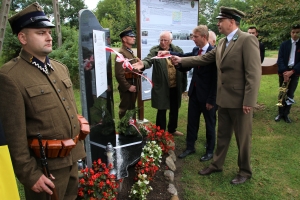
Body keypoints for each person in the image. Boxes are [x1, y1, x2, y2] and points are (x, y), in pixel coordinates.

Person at [0, 3, 86, 199]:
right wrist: (30, 175)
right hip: (47, 171)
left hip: (72, 159)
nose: (49, 37)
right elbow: (14, 135)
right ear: (22, 38)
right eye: (40, 33)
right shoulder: (10, 76)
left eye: (48, 31)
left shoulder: (60, 68)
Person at [168, 6, 261, 184]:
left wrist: (249, 100)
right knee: (223, 135)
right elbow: (204, 59)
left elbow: (253, 74)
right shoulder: (222, 42)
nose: (218, 24)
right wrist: (181, 60)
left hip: (241, 101)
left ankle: (244, 171)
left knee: (243, 139)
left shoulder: (247, 40)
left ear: (232, 22)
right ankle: (217, 164)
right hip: (224, 99)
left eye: (221, 20)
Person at [158, 25, 217, 161]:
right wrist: (170, 55)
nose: (193, 39)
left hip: (208, 96)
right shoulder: (196, 50)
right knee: (192, 122)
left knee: (210, 123)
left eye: (195, 37)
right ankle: (190, 147)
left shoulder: (213, 52)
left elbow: (216, 79)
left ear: (203, 37)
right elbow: (185, 59)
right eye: (192, 36)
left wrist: (211, 99)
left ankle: (209, 151)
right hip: (195, 93)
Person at [133, 31, 187, 136]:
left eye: (165, 40)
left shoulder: (177, 50)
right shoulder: (155, 51)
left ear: (170, 41)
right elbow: (148, 61)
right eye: (161, 40)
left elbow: (183, 63)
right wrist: (142, 64)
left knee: (174, 109)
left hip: (175, 86)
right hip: (162, 86)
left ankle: (172, 129)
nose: (162, 42)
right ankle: (160, 132)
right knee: (162, 110)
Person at [275, 24, 300, 123]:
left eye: (297, 32)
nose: (295, 34)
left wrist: (292, 72)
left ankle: (286, 114)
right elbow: (280, 59)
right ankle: (280, 113)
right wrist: (285, 72)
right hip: (284, 73)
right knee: (282, 92)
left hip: (295, 73)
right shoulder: (284, 44)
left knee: (290, 94)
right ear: (290, 32)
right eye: (293, 32)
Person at [114, 27, 139, 119]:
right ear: (124, 39)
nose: (134, 37)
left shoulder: (129, 52)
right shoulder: (121, 53)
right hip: (128, 86)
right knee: (125, 108)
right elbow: (118, 74)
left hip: (133, 83)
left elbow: (130, 68)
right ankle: (124, 130)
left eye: (134, 36)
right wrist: (128, 87)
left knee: (132, 108)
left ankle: (132, 129)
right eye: (131, 36)